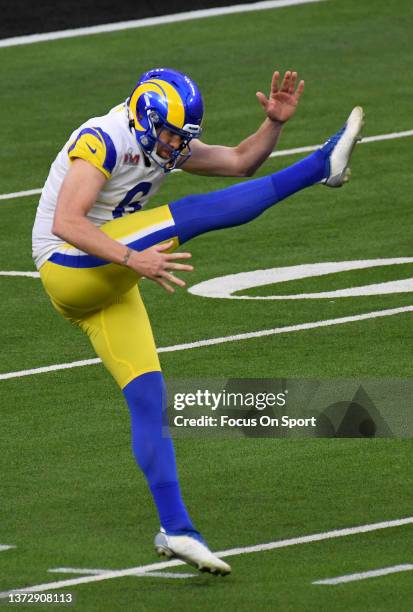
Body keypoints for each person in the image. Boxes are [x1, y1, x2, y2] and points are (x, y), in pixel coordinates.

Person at [32, 67, 363, 576]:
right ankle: (320, 165)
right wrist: (130, 259)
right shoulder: (103, 139)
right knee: (188, 212)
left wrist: (272, 124)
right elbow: (67, 223)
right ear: (145, 118)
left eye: (181, 139)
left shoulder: (168, 140)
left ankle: (178, 530)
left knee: (149, 400)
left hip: (106, 278)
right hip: (71, 267)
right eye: (167, 134)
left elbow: (238, 162)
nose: (173, 147)